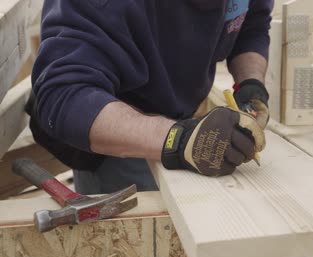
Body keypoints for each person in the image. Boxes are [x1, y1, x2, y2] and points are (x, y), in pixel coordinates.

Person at [28, 0, 273, 194]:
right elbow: (64, 95)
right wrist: (177, 139)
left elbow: (252, 26)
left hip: (177, 117)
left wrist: (251, 83)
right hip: (116, 136)